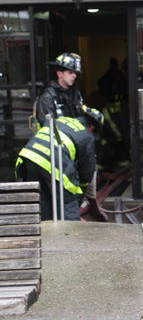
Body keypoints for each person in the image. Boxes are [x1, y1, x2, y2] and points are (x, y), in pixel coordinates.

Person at [34, 52, 107, 221]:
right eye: (70, 72)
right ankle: (64, 219)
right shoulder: (48, 97)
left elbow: (85, 115)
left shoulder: (75, 95)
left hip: (75, 151)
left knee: (90, 174)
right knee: (62, 190)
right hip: (54, 153)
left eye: (75, 73)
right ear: (59, 73)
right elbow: (48, 129)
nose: (74, 76)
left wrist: (90, 116)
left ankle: (78, 211)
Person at [15, 114, 99, 221]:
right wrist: (80, 190)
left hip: (28, 158)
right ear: (91, 127)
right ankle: (70, 236)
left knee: (43, 203)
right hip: (53, 161)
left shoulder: (61, 120)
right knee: (67, 203)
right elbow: (87, 172)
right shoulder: (86, 135)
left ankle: (46, 235)